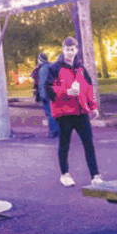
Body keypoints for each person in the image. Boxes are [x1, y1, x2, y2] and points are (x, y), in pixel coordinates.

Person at [44, 36, 104, 187]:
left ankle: (95, 175)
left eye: (72, 49)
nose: (69, 52)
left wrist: (93, 106)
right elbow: (48, 89)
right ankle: (65, 174)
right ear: (63, 50)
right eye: (67, 49)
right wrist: (66, 91)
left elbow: (88, 88)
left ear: (76, 50)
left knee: (88, 143)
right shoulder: (55, 68)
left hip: (81, 112)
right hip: (64, 113)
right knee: (65, 144)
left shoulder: (81, 68)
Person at [32, 52, 59, 138]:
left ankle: (53, 131)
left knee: (49, 113)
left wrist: (42, 95)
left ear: (40, 60)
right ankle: (58, 131)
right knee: (55, 112)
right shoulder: (51, 66)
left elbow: (42, 83)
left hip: (47, 94)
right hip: (54, 92)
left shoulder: (43, 69)